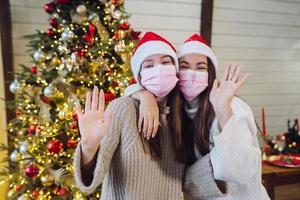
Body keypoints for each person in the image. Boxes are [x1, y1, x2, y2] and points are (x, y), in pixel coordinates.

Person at [73, 32, 224, 200]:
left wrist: (222, 165)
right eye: (149, 65)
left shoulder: (180, 117)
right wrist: (88, 147)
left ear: (175, 71)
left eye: (165, 62)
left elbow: (186, 180)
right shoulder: (124, 108)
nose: (158, 69)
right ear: (140, 76)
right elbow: (91, 182)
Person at [124, 34, 270, 200]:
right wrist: (145, 96)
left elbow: (240, 172)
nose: (192, 74)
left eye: (200, 67)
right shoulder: (174, 110)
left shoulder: (233, 106)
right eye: (185, 67)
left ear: (210, 73)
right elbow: (130, 89)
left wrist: (223, 111)